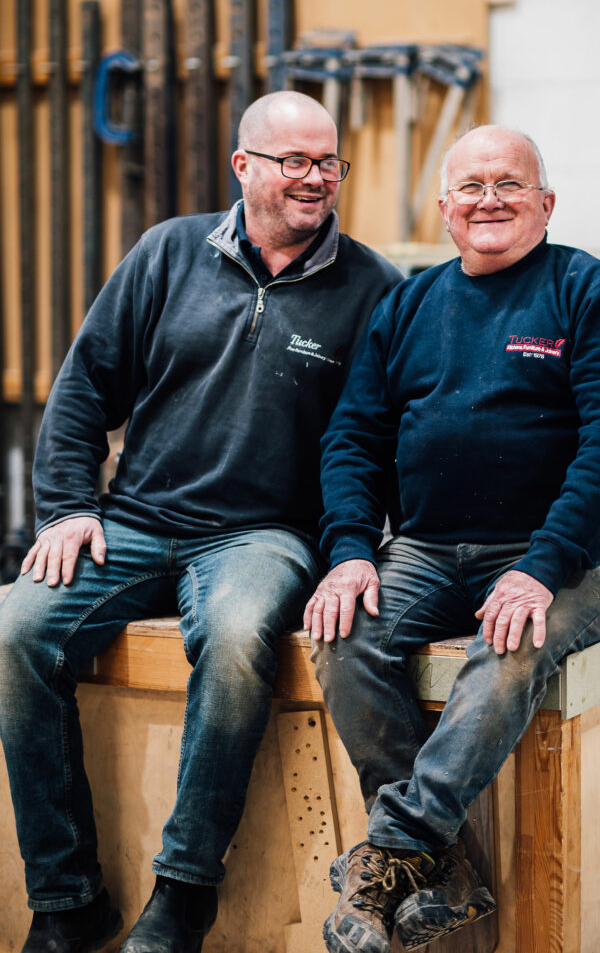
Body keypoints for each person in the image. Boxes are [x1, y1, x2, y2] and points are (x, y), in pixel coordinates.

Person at [0, 90, 402, 953]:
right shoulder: (168, 252)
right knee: (12, 629)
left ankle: (185, 890)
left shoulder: (373, 288)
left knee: (234, 634)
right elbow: (80, 391)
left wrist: (354, 549)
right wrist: (69, 506)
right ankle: (67, 899)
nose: (315, 178)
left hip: (265, 534)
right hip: (135, 518)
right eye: (293, 161)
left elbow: (382, 439)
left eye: (327, 161)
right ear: (244, 166)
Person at [305, 125, 600, 953]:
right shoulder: (409, 303)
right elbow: (351, 437)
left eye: (509, 183)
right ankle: (445, 865)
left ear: (546, 203)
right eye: (470, 186)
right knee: (341, 628)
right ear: (444, 208)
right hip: (428, 548)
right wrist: (352, 549)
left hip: (569, 551)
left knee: (509, 645)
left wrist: (543, 567)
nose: (489, 198)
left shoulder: (591, 293)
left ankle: (392, 849)